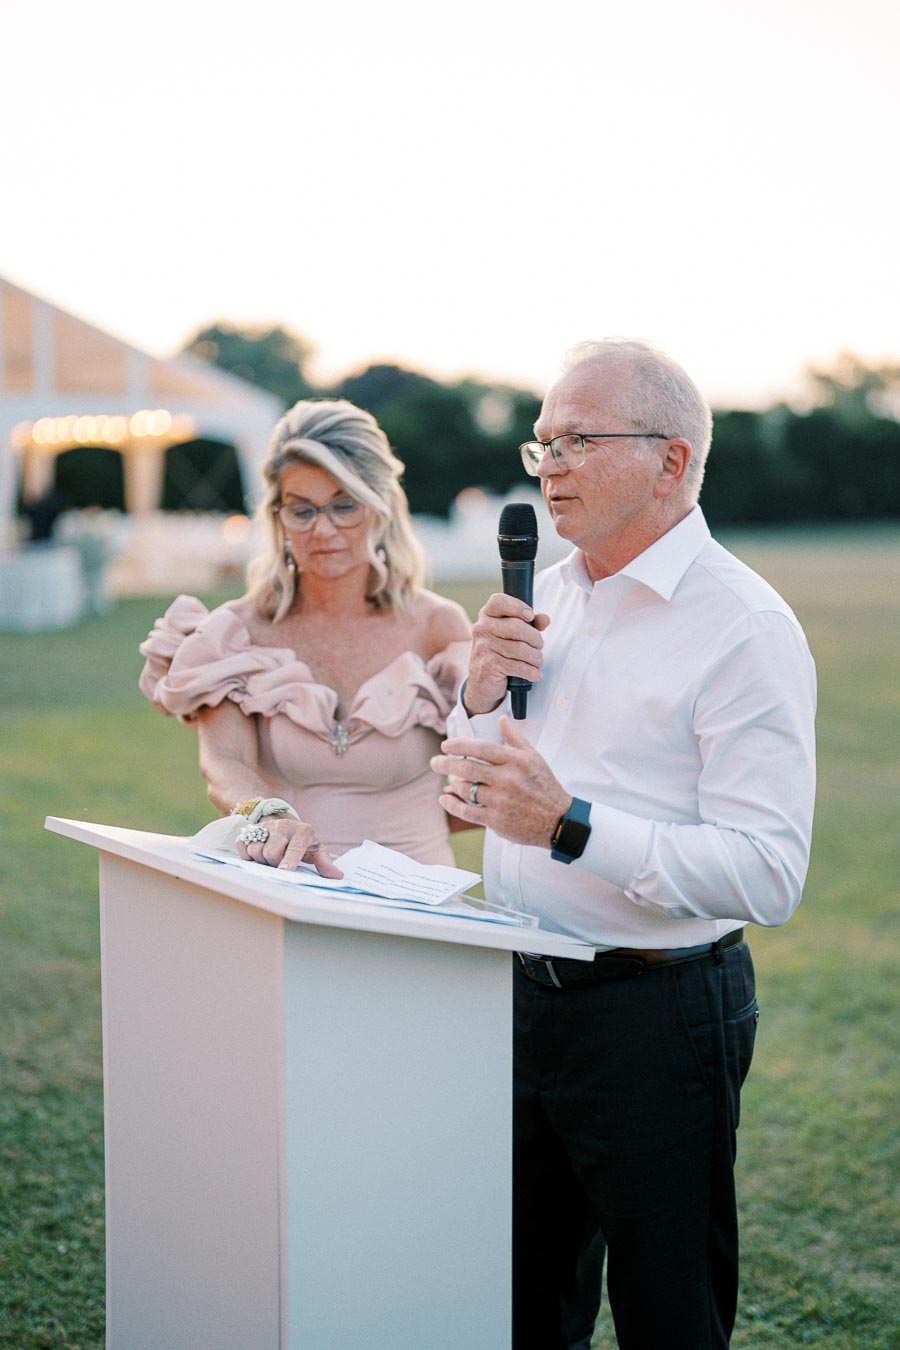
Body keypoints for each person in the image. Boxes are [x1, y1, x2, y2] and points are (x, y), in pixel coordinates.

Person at [431, 339, 817, 1350]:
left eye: (578, 440)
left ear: (672, 460)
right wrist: (473, 702)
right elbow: (481, 782)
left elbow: (768, 871)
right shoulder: (544, 593)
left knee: (667, 1312)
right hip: (514, 994)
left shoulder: (744, 627)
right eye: (543, 442)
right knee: (516, 1301)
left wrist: (571, 827)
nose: (549, 464)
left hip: (655, 1013)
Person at [140, 398, 471, 873]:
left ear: (379, 508)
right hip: (286, 888)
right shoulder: (237, 632)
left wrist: (407, 832)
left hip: (419, 901)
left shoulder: (437, 626)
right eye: (302, 511)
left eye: (344, 506)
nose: (324, 529)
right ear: (276, 517)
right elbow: (224, 765)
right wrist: (269, 815)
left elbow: (481, 778)